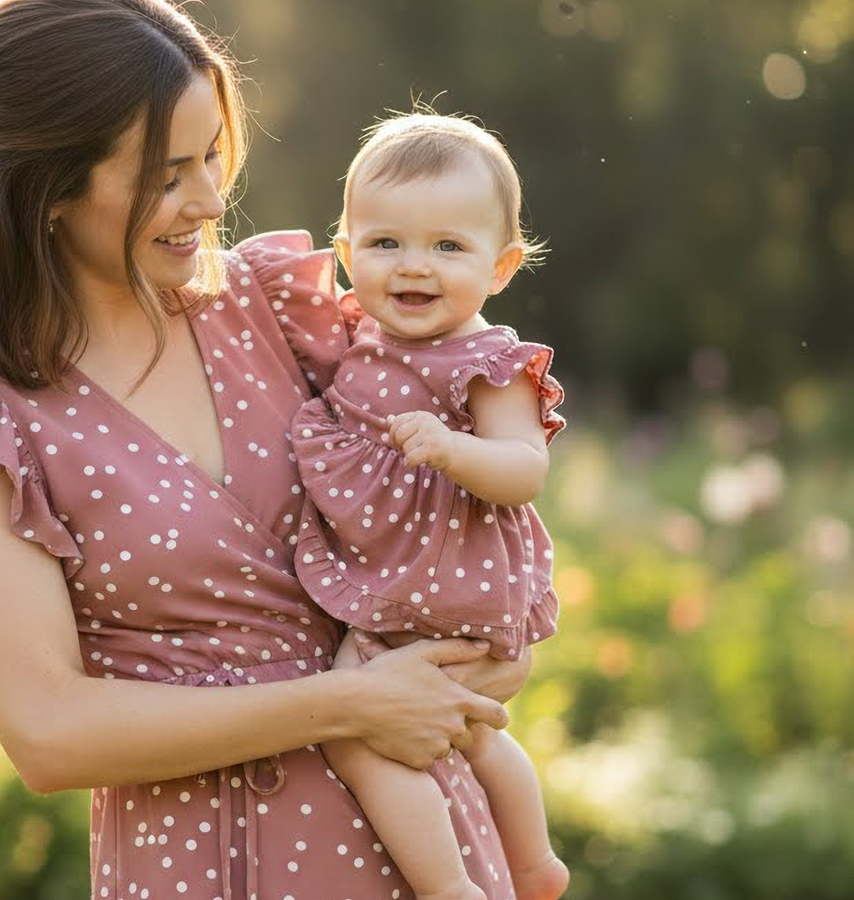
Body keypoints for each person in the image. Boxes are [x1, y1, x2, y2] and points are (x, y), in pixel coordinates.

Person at [0, 2, 533, 898]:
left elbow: (461, 459)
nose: (211, 201)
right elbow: (48, 734)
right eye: (167, 175)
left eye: (211, 156)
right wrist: (350, 704)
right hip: (202, 865)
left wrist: (493, 644)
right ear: (50, 186)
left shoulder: (275, 306)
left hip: (429, 852)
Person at [282, 112, 570, 900]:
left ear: (501, 267)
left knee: (359, 731)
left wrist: (452, 450)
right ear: (347, 255)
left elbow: (525, 470)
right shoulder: (363, 334)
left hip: (444, 577)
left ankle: (447, 884)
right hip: (402, 569)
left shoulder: (488, 362)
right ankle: (535, 865)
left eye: (448, 246)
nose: (414, 266)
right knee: (471, 730)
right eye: (386, 243)